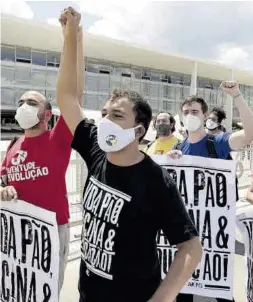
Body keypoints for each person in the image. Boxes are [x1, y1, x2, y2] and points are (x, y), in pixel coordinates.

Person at [56, 7, 202, 302]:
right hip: (89, 294)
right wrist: (71, 37)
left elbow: (191, 248)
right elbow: (67, 97)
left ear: (138, 131)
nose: (106, 120)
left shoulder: (155, 181)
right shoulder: (95, 148)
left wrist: (162, 298)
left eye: (117, 115)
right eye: (106, 113)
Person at [0, 25, 84, 294]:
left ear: (47, 115)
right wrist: (3, 190)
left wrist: (71, 39)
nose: (24, 105)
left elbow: (72, 93)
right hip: (16, 229)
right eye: (22, 101)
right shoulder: (13, 145)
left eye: (32, 103)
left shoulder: (57, 138)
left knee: (45, 291)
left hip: (50, 230)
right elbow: (1, 180)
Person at [169, 83, 253, 302]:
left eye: (195, 111)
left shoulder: (216, 142)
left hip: (214, 226)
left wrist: (237, 95)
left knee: (217, 279)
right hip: (189, 225)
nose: (190, 115)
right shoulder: (180, 149)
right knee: (184, 282)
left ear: (205, 115)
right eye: (187, 112)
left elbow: (251, 133)